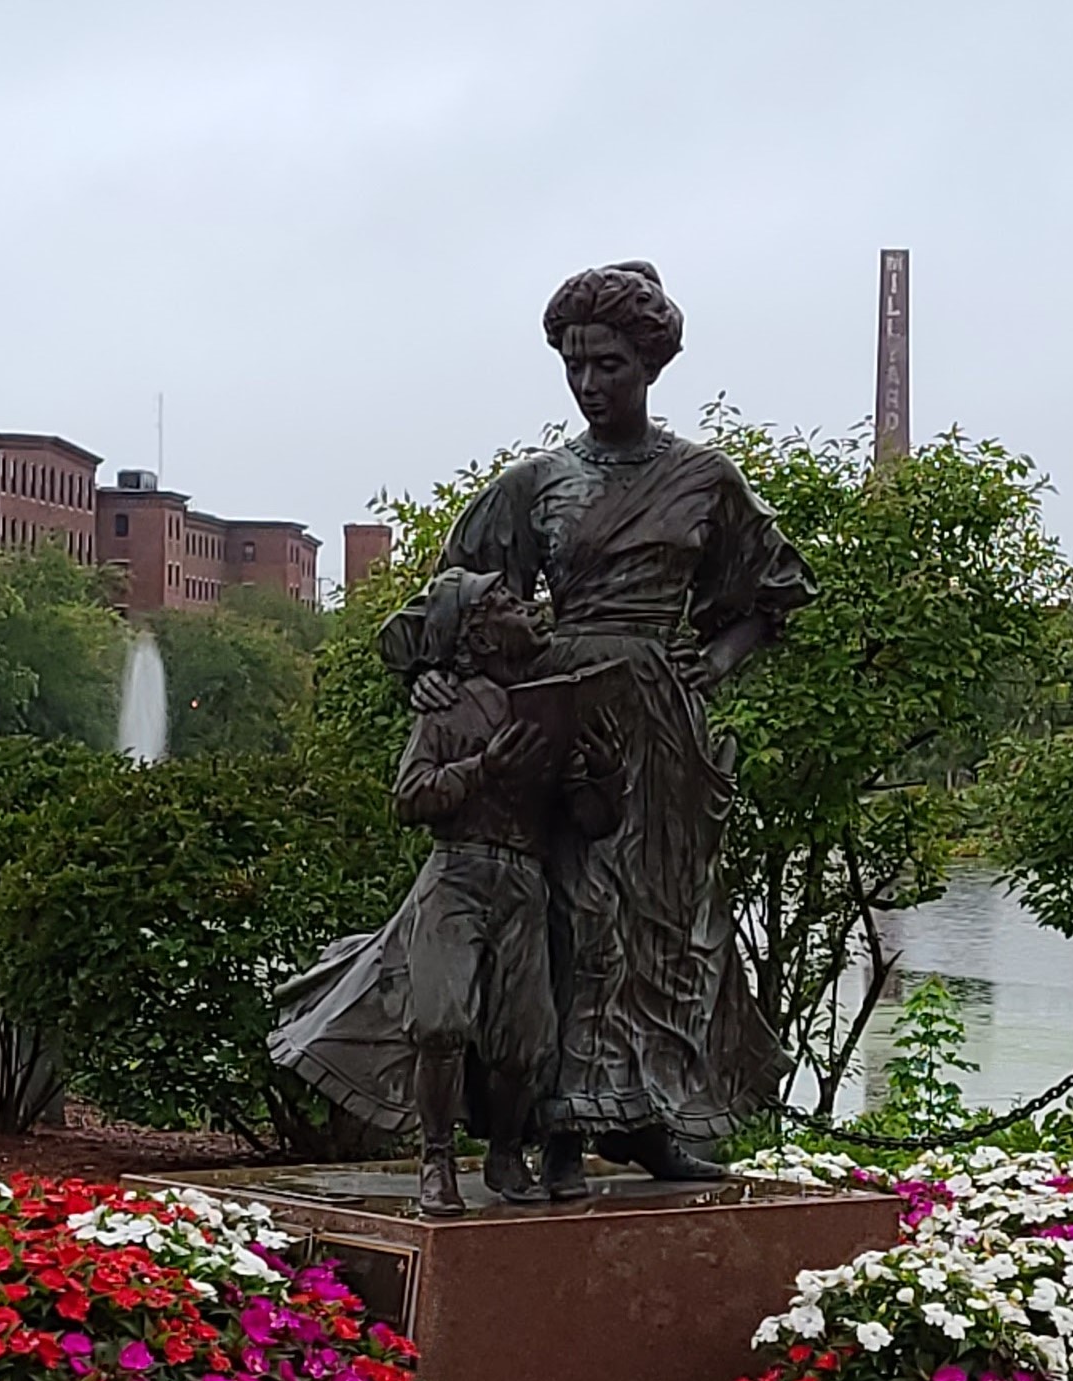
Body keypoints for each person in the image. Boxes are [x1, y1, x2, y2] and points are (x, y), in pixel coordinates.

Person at [389, 261, 815, 1199]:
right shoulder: (539, 483)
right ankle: (558, 1129)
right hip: (563, 707)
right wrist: (435, 677)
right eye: (575, 366)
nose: (589, 384)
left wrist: (717, 661)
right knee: (574, 919)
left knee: (668, 925)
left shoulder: (706, 480)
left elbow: (774, 592)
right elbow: (450, 598)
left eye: (609, 364)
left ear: (650, 364)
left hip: (662, 719)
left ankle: (652, 1113)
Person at [271, 569, 621, 1216]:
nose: (527, 608)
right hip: (456, 874)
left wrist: (606, 773)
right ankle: (435, 1158)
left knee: (527, 1040)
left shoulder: (551, 705)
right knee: (440, 1021)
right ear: (478, 634)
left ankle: (507, 1151)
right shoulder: (448, 706)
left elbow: (593, 819)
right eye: (508, 602)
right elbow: (410, 798)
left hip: (524, 882)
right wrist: (482, 769)